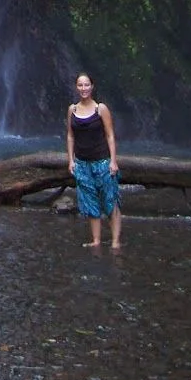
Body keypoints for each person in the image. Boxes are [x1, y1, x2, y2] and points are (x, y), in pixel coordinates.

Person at [66, 72, 122, 250]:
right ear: (76, 87)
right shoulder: (72, 110)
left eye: (86, 85)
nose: (83, 88)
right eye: (80, 85)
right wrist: (71, 160)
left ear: (92, 86)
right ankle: (96, 240)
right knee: (90, 202)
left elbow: (110, 135)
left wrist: (113, 161)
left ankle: (115, 241)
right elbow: (70, 136)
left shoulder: (101, 109)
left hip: (102, 162)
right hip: (82, 163)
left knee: (110, 200)